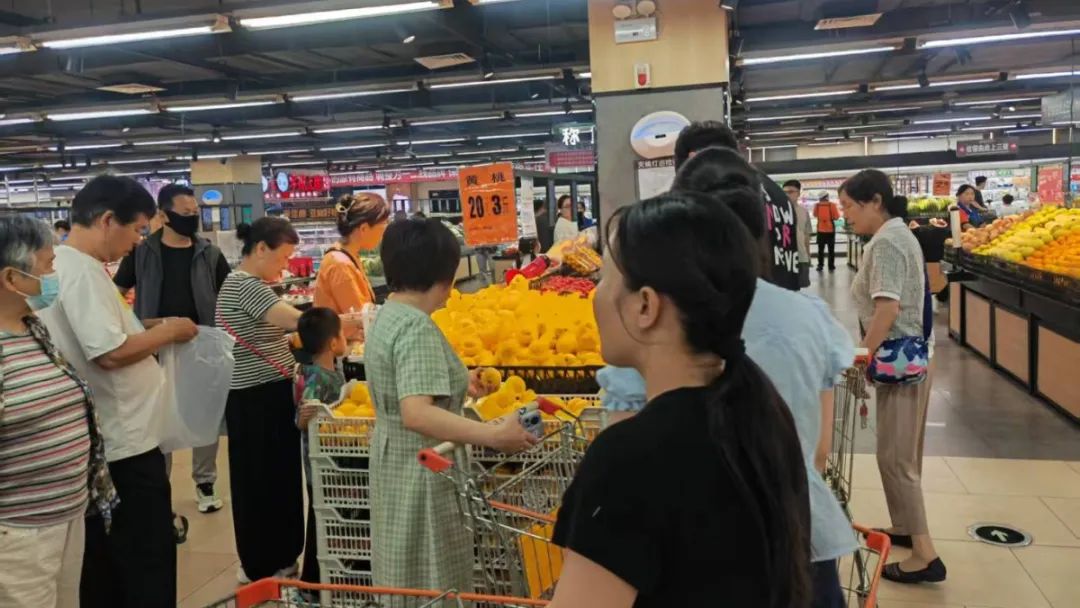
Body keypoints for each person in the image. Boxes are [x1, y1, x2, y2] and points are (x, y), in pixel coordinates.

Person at [594, 147, 857, 607]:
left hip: (689, 567)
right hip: (804, 543)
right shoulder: (808, 317)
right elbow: (818, 452)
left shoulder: (659, 341)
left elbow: (627, 494)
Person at [549, 189, 811, 608]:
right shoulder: (763, 418)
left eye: (604, 280)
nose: (595, 295)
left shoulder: (626, 458)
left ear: (645, 306)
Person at [36, 175, 198, 607]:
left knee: (110, 564)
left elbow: (102, 334)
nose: (138, 241)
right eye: (137, 229)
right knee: (143, 561)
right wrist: (169, 332)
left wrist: (150, 326)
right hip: (125, 447)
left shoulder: (65, 267)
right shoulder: (81, 272)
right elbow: (108, 352)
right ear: (108, 220)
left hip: (113, 441)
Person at [364, 217, 538, 591]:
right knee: (434, 577)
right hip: (426, 469)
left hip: (395, 462)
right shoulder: (417, 328)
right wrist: (493, 436)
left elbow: (404, 387)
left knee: (403, 571)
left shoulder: (388, 314)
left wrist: (458, 384)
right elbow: (417, 412)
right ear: (444, 275)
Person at [0, 216, 117, 608]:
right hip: (17, 534)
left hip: (65, 516)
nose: (55, 275)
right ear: (11, 278)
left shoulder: (31, 328)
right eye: (48, 264)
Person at [839, 169, 946, 585]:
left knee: (896, 459)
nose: (846, 215)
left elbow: (887, 309)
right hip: (914, 358)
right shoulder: (900, 234)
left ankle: (925, 554)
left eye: (849, 206)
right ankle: (903, 525)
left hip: (899, 362)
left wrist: (861, 357)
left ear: (875, 202)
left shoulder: (885, 242)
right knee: (903, 454)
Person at [113, 184, 231, 515]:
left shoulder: (209, 254)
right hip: (154, 348)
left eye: (195, 213)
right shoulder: (142, 253)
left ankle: (205, 482)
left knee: (204, 415)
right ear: (164, 215)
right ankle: (160, 489)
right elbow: (115, 293)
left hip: (201, 347)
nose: (192, 218)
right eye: (185, 213)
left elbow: (229, 294)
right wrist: (141, 325)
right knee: (159, 418)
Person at [215, 217, 306, 584]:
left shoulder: (246, 283)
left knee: (268, 477)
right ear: (261, 249)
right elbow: (298, 321)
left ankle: (271, 557)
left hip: (261, 395)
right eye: (283, 257)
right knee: (264, 480)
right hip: (258, 398)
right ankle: (264, 561)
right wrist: (345, 321)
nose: (285, 265)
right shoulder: (245, 285)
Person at [674, 121, 801, 290]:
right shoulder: (778, 194)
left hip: (745, 303)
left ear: (694, 159)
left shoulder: (721, 196)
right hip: (784, 298)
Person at [294, 307, 348, 589]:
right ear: (333, 342)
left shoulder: (328, 371)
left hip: (332, 462)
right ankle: (312, 583)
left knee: (329, 519)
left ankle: (331, 575)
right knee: (321, 522)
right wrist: (305, 416)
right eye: (342, 334)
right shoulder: (316, 377)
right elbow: (302, 417)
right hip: (321, 465)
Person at [313, 192, 390, 322]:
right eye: (384, 224)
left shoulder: (347, 256)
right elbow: (360, 320)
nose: (384, 231)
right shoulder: (340, 264)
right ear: (364, 228)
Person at [785, 180, 812, 288]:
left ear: (798, 193)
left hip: (801, 257)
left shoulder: (804, 212)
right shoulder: (777, 211)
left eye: (791, 192)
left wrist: (808, 256)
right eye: (784, 192)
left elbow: (806, 235)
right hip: (784, 257)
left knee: (800, 287)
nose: (787, 195)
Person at [814, 193, 841, 272]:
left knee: (820, 250)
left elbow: (815, 215)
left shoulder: (817, 205)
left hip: (820, 230)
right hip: (830, 230)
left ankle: (820, 265)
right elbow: (836, 217)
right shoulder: (832, 205)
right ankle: (831, 266)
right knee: (831, 249)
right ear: (827, 197)